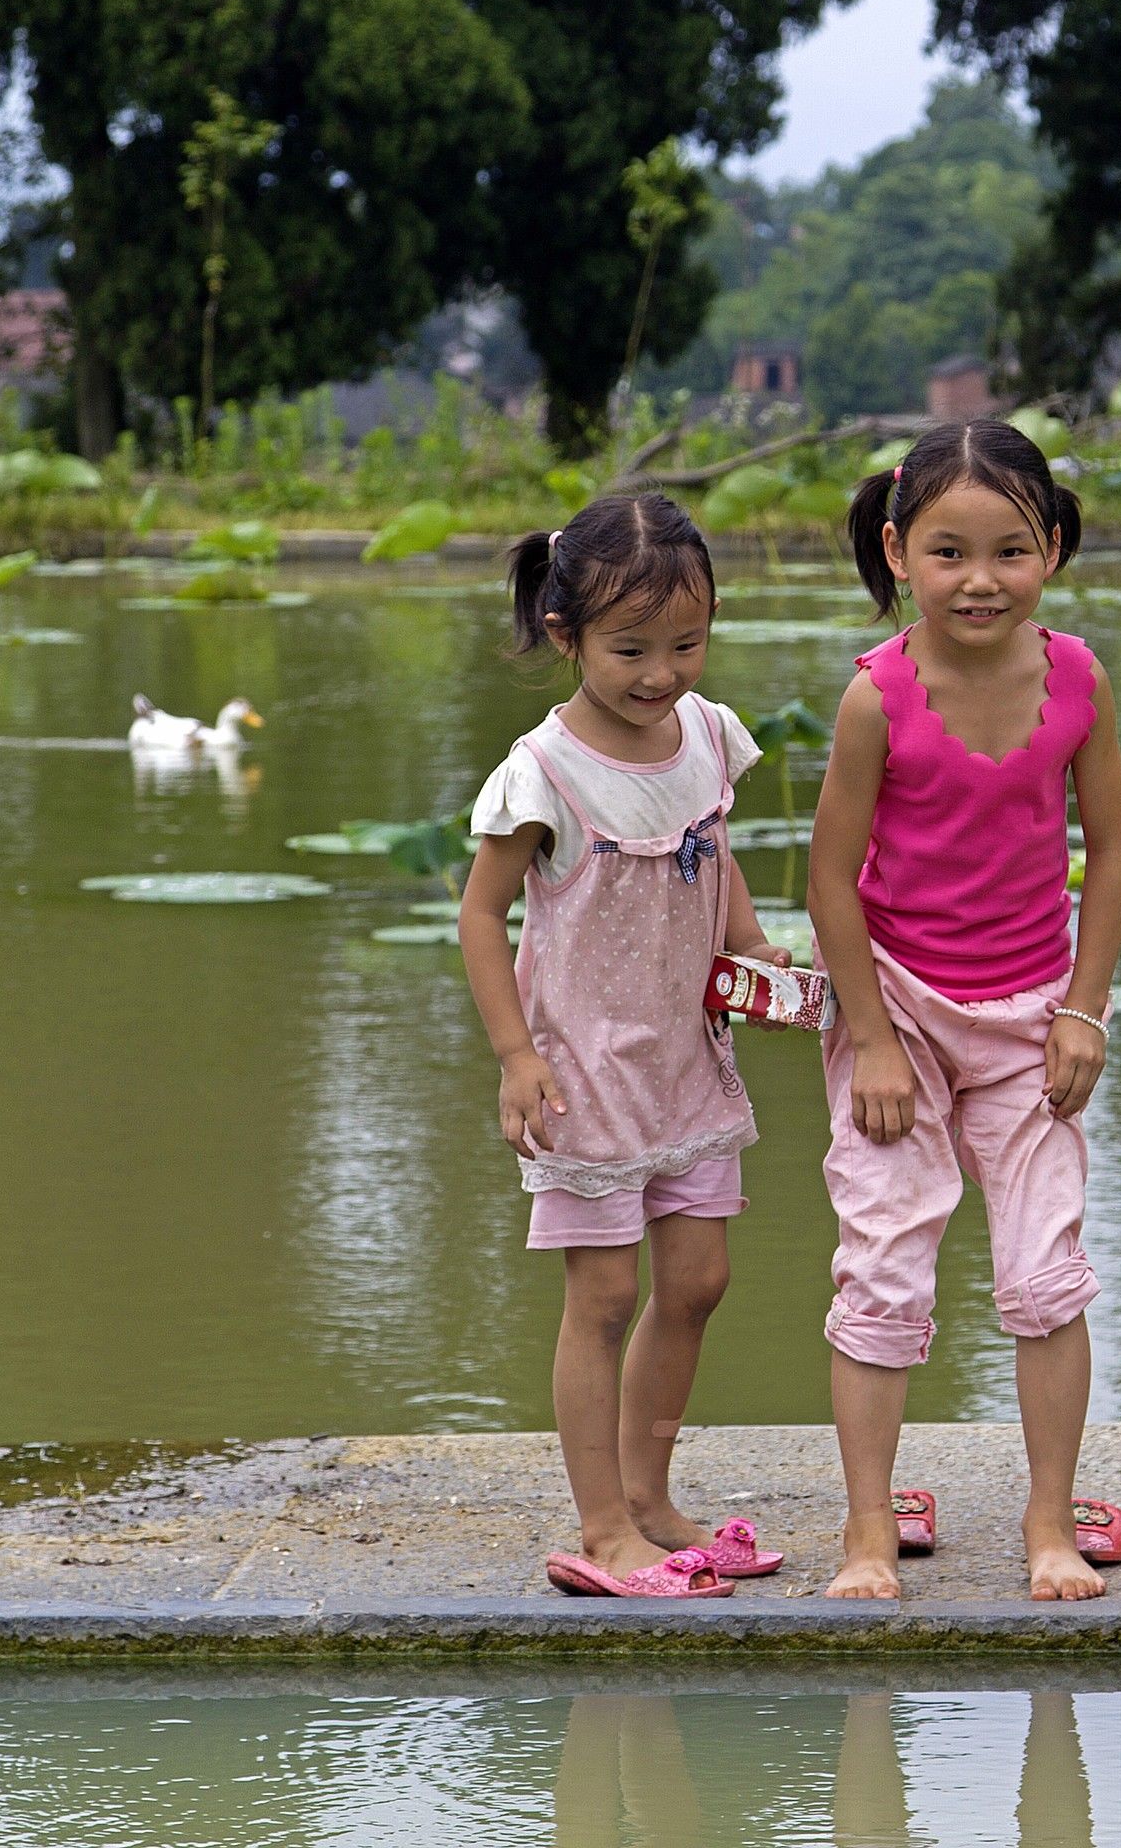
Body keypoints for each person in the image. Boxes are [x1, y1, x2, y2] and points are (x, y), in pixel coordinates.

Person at [807, 418, 1121, 1603]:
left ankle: (1050, 1525)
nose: (980, 579)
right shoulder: (874, 698)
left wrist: (1084, 1012)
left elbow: (1109, 850)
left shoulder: (1078, 678)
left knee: (1047, 1271)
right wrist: (879, 1042)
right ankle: (862, 1533)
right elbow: (828, 882)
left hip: (1031, 1021)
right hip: (894, 1011)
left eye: (1008, 549)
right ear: (898, 552)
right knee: (884, 1269)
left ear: (1050, 546)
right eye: (948, 552)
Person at [459, 491, 789, 1598]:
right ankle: (602, 1528)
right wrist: (515, 1055)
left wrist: (753, 958)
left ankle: (652, 1495)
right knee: (600, 1296)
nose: (662, 673)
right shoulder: (541, 771)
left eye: (685, 644)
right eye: (631, 649)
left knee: (697, 1277)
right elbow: (479, 915)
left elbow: (718, 856)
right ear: (566, 635)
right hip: (583, 1073)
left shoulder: (706, 732)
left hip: (685, 1057)